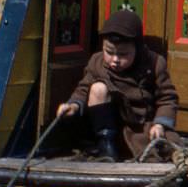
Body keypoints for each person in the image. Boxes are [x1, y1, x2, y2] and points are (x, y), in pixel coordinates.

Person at [57, 10, 180, 162]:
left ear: (137, 48)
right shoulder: (97, 62)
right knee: (97, 88)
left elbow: (167, 99)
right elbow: (83, 89)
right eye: (109, 52)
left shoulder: (154, 64)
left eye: (123, 54)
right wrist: (73, 105)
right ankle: (106, 148)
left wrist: (160, 124)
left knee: (167, 145)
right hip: (111, 124)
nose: (115, 59)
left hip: (141, 126)